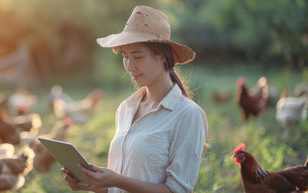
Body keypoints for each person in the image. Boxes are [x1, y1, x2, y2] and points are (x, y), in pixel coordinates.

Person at [61, 5, 208, 193]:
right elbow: (118, 188)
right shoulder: (125, 108)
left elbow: (177, 191)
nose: (129, 67)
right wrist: (92, 185)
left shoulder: (187, 114)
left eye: (137, 57)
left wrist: (118, 181)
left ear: (162, 57)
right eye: (125, 56)